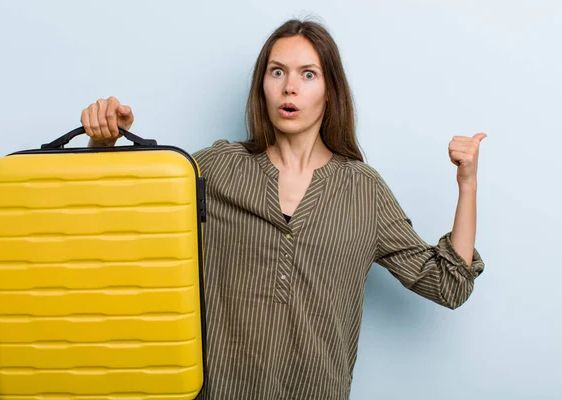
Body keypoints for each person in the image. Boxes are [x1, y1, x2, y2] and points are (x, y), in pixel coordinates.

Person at [80, 18, 486, 400]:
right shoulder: (216, 168)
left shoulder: (364, 191)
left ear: (330, 90)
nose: (289, 87)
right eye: (277, 72)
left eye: (308, 74)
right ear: (262, 87)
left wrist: (467, 185)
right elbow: (121, 229)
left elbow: (448, 284)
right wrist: (104, 143)